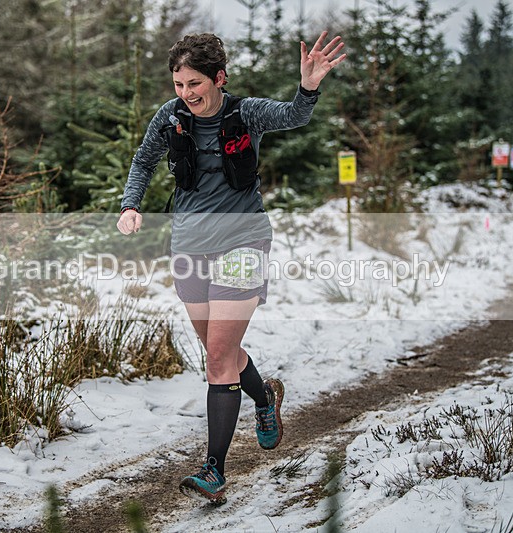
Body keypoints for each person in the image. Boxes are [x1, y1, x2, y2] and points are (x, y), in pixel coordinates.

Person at [117, 31, 346, 504]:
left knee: (218, 357)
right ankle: (265, 399)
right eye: (179, 83)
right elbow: (143, 161)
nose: (186, 93)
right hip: (189, 245)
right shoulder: (172, 116)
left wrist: (307, 88)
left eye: (195, 82)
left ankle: (213, 470)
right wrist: (130, 205)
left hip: (243, 242)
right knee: (220, 350)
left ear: (219, 78)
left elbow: (295, 115)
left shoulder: (245, 113)